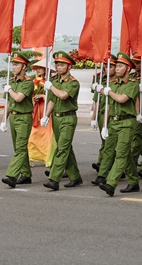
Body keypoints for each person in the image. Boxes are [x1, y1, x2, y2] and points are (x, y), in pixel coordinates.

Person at [96, 52, 140, 196]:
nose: (117, 69)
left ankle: (111, 183)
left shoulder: (133, 84)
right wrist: (105, 125)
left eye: (120, 66)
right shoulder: (113, 85)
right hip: (114, 122)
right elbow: (108, 105)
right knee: (121, 152)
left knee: (121, 154)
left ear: (128, 68)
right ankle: (133, 181)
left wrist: (108, 92)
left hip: (127, 122)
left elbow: (122, 99)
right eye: (116, 66)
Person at [43, 51, 82, 190]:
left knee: (62, 149)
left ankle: (54, 179)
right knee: (66, 148)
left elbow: (63, 95)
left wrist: (51, 87)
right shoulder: (55, 81)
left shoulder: (72, 82)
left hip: (68, 118)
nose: (58, 67)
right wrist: (46, 115)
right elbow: (53, 100)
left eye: (62, 65)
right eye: (57, 65)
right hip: (57, 118)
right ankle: (75, 176)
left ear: (69, 66)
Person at [1, 51, 36, 188]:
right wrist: (4, 120)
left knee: (20, 148)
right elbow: (8, 103)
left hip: (23, 118)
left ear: (24, 67)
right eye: (13, 64)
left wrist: (9, 90)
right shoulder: (11, 82)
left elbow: (18, 98)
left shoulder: (28, 83)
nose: (14, 67)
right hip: (14, 117)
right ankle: (26, 174)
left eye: (17, 65)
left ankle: (12, 175)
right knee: (19, 147)